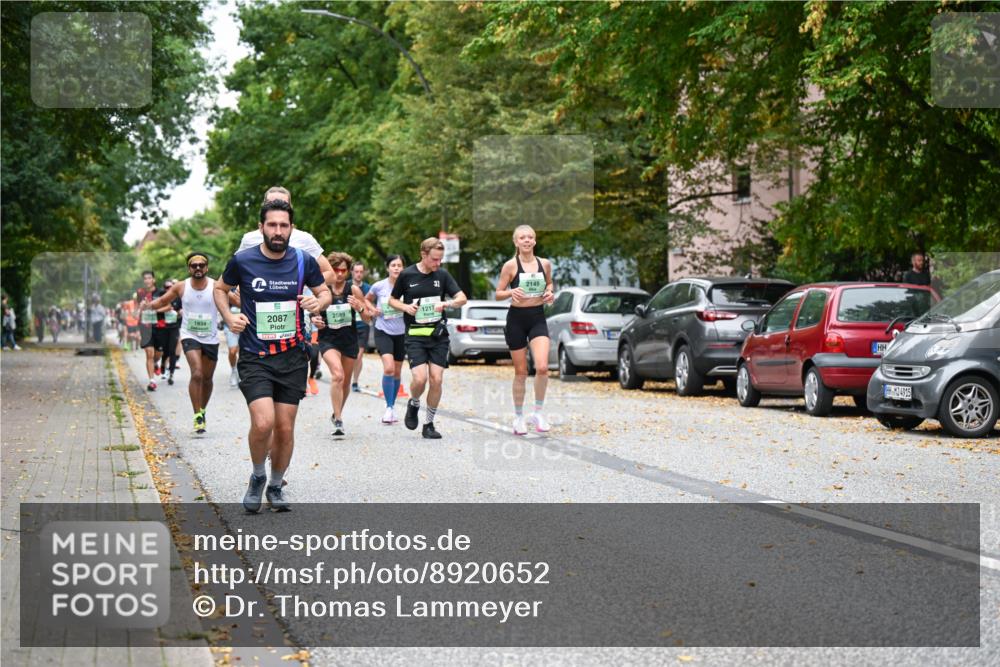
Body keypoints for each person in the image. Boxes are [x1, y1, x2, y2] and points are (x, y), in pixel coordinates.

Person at [214, 198, 330, 513]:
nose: (278, 231)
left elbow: (325, 291)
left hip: (292, 357)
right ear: (261, 227)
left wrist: (318, 303)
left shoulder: (303, 261)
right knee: (264, 423)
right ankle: (257, 475)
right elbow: (220, 288)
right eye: (272, 225)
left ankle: (276, 486)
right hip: (255, 355)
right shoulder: (243, 260)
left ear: (291, 228)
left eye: (283, 225)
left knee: (285, 428)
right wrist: (228, 317)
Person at [388, 238, 468, 439]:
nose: (438, 263)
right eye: (434, 259)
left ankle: (429, 424)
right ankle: (414, 402)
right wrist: (406, 307)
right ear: (423, 254)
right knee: (420, 378)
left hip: (438, 334)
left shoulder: (442, 275)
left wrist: (446, 304)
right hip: (415, 334)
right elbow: (392, 300)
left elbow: (462, 298)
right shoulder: (407, 275)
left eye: (440, 259)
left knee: (437, 379)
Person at [145, 253, 220, 434]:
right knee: (197, 373)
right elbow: (163, 301)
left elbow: (234, 301)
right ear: (189, 268)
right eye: (194, 265)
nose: (198, 268)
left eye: (201, 265)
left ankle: (202, 410)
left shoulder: (216, 286)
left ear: (207, 268)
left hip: (211, 337)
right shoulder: (181, 286)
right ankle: (197, 416)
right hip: (190, 335)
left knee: (208, 379)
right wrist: (147, 305)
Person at [495, 225, 555, 434]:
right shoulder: (510, 266)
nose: (527, 240)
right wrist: (512, 292)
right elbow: (498, 293)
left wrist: (549, 293)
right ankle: (519, 417)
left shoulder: (544, 264)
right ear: (516, 242)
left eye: (530, 237)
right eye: (523, 237)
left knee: (542, 367)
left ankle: (538, 412)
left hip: (538, 317)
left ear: (535, 241)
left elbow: (549, 284)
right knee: (521, 372)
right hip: (516, 320)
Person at [311, 252, 373, 438]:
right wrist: (315, 320)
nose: (339, 274)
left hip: (348, 339)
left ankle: (337, 412)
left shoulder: (353, 290)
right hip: (328, 338)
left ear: (348, 271)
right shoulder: (322, 289)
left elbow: (367, 319)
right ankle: (338, 419)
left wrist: (360, 308)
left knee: (345, 381)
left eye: (343, 270)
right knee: (337, 375)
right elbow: (312, 312)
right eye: (336, 270)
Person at [237, 186, 335, 283]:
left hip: (295, 298)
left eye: (283, 204)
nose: (277, 207)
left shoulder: (304, 239)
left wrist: (301, 284)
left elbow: (330, 274)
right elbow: (233, 276)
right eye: (271, 203)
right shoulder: (249, 239)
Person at [366, 255, 407, 424]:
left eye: (399, 265)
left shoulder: (407, 286)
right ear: (387, 268)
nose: (396, 268)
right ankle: (388, 407)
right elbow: (367, 299)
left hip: (402, 332)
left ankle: (392, 405)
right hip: (383, 330)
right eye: (393, 265)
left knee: (397, 371)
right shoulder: (379, 286)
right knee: (389, 368)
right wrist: (372, 310)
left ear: (403, 268)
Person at [136, 271, 165, 390]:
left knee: (158, 354)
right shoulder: (140, 293)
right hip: (146, 327)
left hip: (159, 326)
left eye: (149, 278)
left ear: (154, 280)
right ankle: (152, 381)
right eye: (145, 278)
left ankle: (156, 363)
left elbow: (169, 306)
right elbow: (138, 310)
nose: (147, 280)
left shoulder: (161, 293)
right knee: (149, 353)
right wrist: (142, 307)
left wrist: (155, 309)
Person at [350, 260, 371, 392]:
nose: (358, 274)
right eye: (356, 271)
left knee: (359, 354)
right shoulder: (346, 287)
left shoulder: (368, 288)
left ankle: (355, 381)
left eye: (360, 272)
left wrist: (373, 310)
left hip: (363, 324)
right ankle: (346, 376)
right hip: (348, 324)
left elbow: (372, 304)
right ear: (351, 272)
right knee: (348, 355)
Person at [161, 278, 183, 384]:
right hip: (162, 328)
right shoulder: (161, 298)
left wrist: (177, 313)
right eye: (166, 287)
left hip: (174, 327)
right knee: (164, 351)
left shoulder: (178, 298)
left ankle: (171, 374)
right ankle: (163, 368)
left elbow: (181, 311)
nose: (168, 289)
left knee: (172, 350)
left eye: (170, 287)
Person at [223, 290, 241, 387]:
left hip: (246, 327)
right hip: (230, 327)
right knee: (233, 351)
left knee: (243, 352)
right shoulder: (228, 289)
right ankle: (234, 370)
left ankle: (241, 373)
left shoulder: (248, 285)